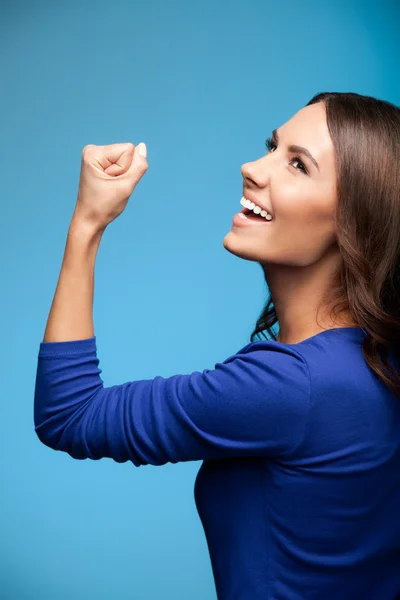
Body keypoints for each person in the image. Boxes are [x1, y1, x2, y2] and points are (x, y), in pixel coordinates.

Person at [34, 91, 400, 599]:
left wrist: (87, 224)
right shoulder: (374, 363)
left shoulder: (293, 386)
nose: (253, 167)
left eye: (298, 165)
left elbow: (68, 415)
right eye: (273, 146)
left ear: (354, 223)